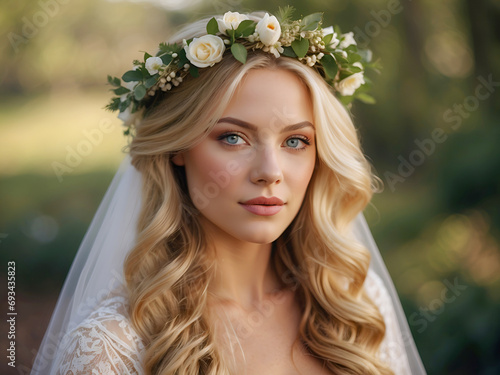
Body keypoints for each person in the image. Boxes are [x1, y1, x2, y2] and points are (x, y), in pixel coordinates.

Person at [32, 9, 427, 375]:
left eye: (295, 142)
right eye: (234, 137)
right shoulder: (111, 347)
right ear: (178, 149)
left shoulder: (354, 304)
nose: (270, 173)